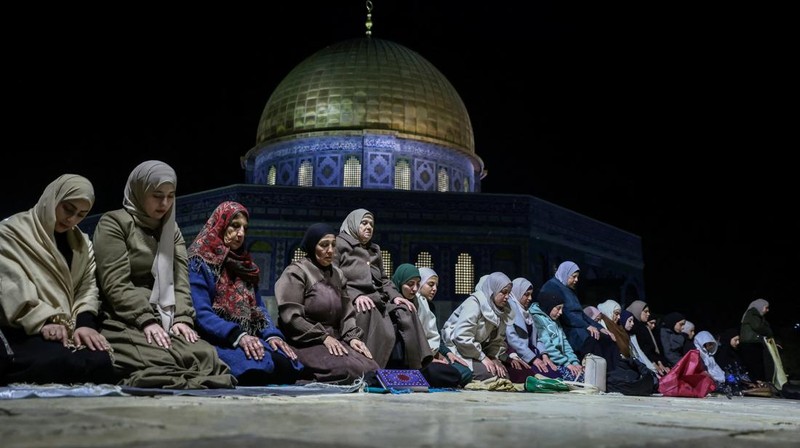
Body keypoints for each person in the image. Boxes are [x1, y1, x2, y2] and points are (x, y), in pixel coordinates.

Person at [93, 160, 235, 389]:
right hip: (124, 315)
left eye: (170, 195)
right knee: (159, 360)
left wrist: (182, 318)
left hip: (165, 313)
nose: (165, 203)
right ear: (140, 191)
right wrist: (145, 319)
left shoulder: (171, 228)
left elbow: (180, 281)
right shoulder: (114, 223)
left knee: (206, 356)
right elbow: (115, 283)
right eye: (157, 195)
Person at [0, 174, 116, 385]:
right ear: (52, 199)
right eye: (68, 209)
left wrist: (84, 324)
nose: (72, 220)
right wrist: (43, 320)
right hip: (22, 325)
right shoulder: (10, 234)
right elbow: (10, 286)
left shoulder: (81, 244)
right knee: (56, 361)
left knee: (99, 360)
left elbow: (87, 288)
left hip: (67, 328)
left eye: (82, 214)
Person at [188, 201, 302, 385]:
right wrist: (237, 336)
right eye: (234, 226)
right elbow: (201, 313)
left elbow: (258, 308)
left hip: (246, 336)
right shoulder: (199, 262)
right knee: (256, 367)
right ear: (220, 224)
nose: (240, 233)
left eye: (244, 228)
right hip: (217, 338)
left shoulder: (245, 267)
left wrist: (272, 334)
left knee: (288, 364)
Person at [275, 223, 379, 384]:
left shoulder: (338, 274)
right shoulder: (296, 272)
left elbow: (347, 313)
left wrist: (352, 338)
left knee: (372, 368)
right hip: (305, 341)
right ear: (312, 246)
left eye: (333, 245)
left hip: (334, 339)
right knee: (346, 369)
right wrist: (322, 337)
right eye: (324, 245)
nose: (330, 250)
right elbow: (291, 317)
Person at [334, 208, 430, 369]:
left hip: (380, 298)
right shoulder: (339, 245)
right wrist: (355, 296)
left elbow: (384, 280)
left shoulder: (374, 250)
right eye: (364, 223)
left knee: (406, 309)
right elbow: (334, 277)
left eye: (371, 224)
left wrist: (396, 296)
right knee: (368, 312)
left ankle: (416, 367)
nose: (369, 227)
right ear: (353, 223)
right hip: (355, 299)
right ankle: (371, 369)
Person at [391, 264, 463, 388]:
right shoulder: (392, 304)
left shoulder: (420, 304)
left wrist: (439, 355)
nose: (414, 289)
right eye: (410, 284)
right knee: (449, 374)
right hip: (400, 362)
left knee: (456, 373)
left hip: (420, 360)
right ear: (400, 282)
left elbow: (429, 335)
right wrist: (427, 359)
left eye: (417, 284)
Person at [539, 261, 619, 369]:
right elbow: (565, 314)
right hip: (569, 327)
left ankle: (615, 376)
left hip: (580, 326)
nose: (576, 280)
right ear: (565, 273)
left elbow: (581, 313)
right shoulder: (552, 286)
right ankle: (599, 376)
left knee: (607, 338)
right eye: (574, 277)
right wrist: (586, 326)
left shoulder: (569, 289)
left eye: (577, 277)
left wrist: (600, 328)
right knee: (592, 340)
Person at [440, 272, 513, 381]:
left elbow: (498, 340)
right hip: (458, 349)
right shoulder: (475, 303)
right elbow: (461, 337)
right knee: (490, 374)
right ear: (493, 290)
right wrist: (482, 357)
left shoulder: (501, 310)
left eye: (509, 293)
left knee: (503, 374)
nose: (507, 297)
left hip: (476, 352)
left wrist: (493, 357)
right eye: (503, 292)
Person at [503, 277, 559, 382]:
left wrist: (544, 355)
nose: (530, 298)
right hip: (521, 354)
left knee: (555, 374)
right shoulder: (509, 311)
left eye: (531, 294)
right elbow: (512, 339)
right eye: (526, 294)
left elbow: (537, 338)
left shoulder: (527, 314)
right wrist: (533, 359)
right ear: (517, 293)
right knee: (543, 376)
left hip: (533, 353)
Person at [529, 290, 584, 381]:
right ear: (548, 306)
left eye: (562, 308)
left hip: (563, 361)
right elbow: (547, 345)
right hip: (552, 362)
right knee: (578, 379)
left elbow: (565, 344)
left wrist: (574, 362)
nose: (561, 312)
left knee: (584, 375)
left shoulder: (555, 320)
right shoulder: (537, 318)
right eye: (558, 308)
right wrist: (567, 364)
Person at [739, 299, 780, 383]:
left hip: (752, 343)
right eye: (766, 308)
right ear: (760, 307)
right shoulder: (753, 313)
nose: (767, 310)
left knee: (756, 365)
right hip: (750, 343)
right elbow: (758, 327)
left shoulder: (756, 315)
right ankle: (757, 383)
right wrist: (769, 332)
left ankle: (758, 383)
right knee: (755, 365)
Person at [626, 299, 669, 376]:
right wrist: (653, 364)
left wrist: (659, 362)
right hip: (644, 366)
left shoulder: (644, 327)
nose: (648, 314)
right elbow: (642, 349)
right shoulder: (633, 329)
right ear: (637, 311)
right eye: (645, 311)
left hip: (652, 363)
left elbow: (651, 349)